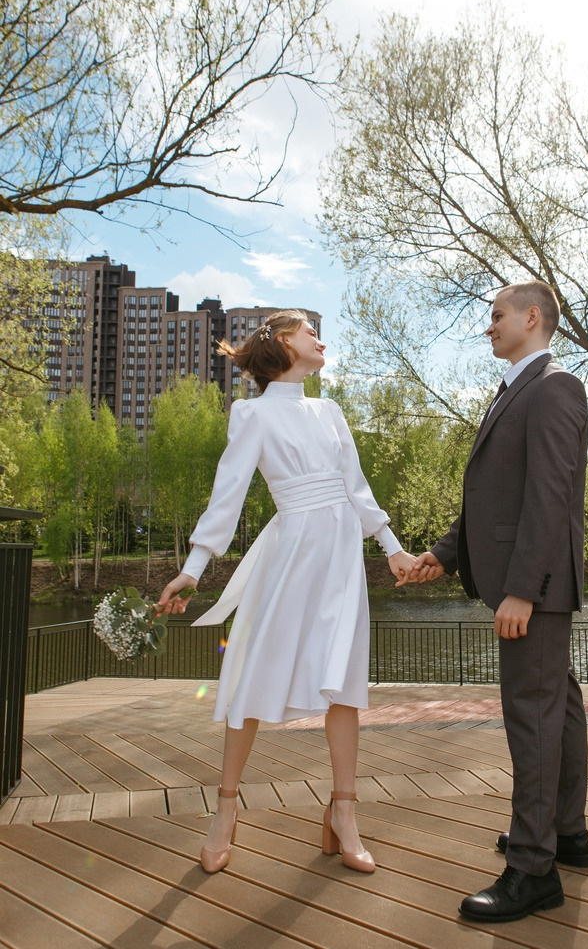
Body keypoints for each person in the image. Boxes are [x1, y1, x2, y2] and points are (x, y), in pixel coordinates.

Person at [156, 310, 415, 876]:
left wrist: (392, 548)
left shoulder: (331, 411)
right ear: (282, 342)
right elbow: (227, 496)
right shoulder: (251, 415)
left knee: (345, 683)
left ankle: (344, 813)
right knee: (250, 678)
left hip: (343, 557)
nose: (321, 341)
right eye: (310, 332)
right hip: (292, 553)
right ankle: (225, 813)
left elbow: (357, 488)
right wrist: (193, 568)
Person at [407, 281, 588, 923]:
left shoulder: (554, 387)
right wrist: (446, 552)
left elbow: (548, 497)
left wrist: (521, 590)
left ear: (532, 317)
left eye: (496, 316)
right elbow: (492, 495)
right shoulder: (518, 387)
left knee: (532, 717)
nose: (488, 327)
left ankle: (533, 867)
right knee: (557, 705)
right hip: (526, 582)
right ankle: (566, 833)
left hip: (532, 589)